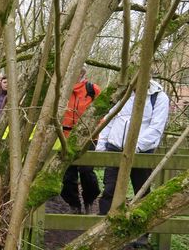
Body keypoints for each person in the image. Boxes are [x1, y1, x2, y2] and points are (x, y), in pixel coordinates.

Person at [96, 79, 170, 220]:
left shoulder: (159, 98)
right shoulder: (123, 94)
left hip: (141, 152)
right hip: (115, 147)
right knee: (110, 189)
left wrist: (134, 147)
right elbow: (110, 118)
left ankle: (142, 230)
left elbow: (156, 128)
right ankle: (101, 224)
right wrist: (102, 144)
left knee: (141, 191)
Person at [60, 67, 102, 214]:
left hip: (88, 136)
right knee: (67, 175)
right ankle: (74, 205)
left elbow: (103, 113)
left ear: (82, 72)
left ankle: (90, 201)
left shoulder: (93, 90)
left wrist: (97, 131)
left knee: (86, 171)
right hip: (65, 136)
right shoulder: (62, 90)